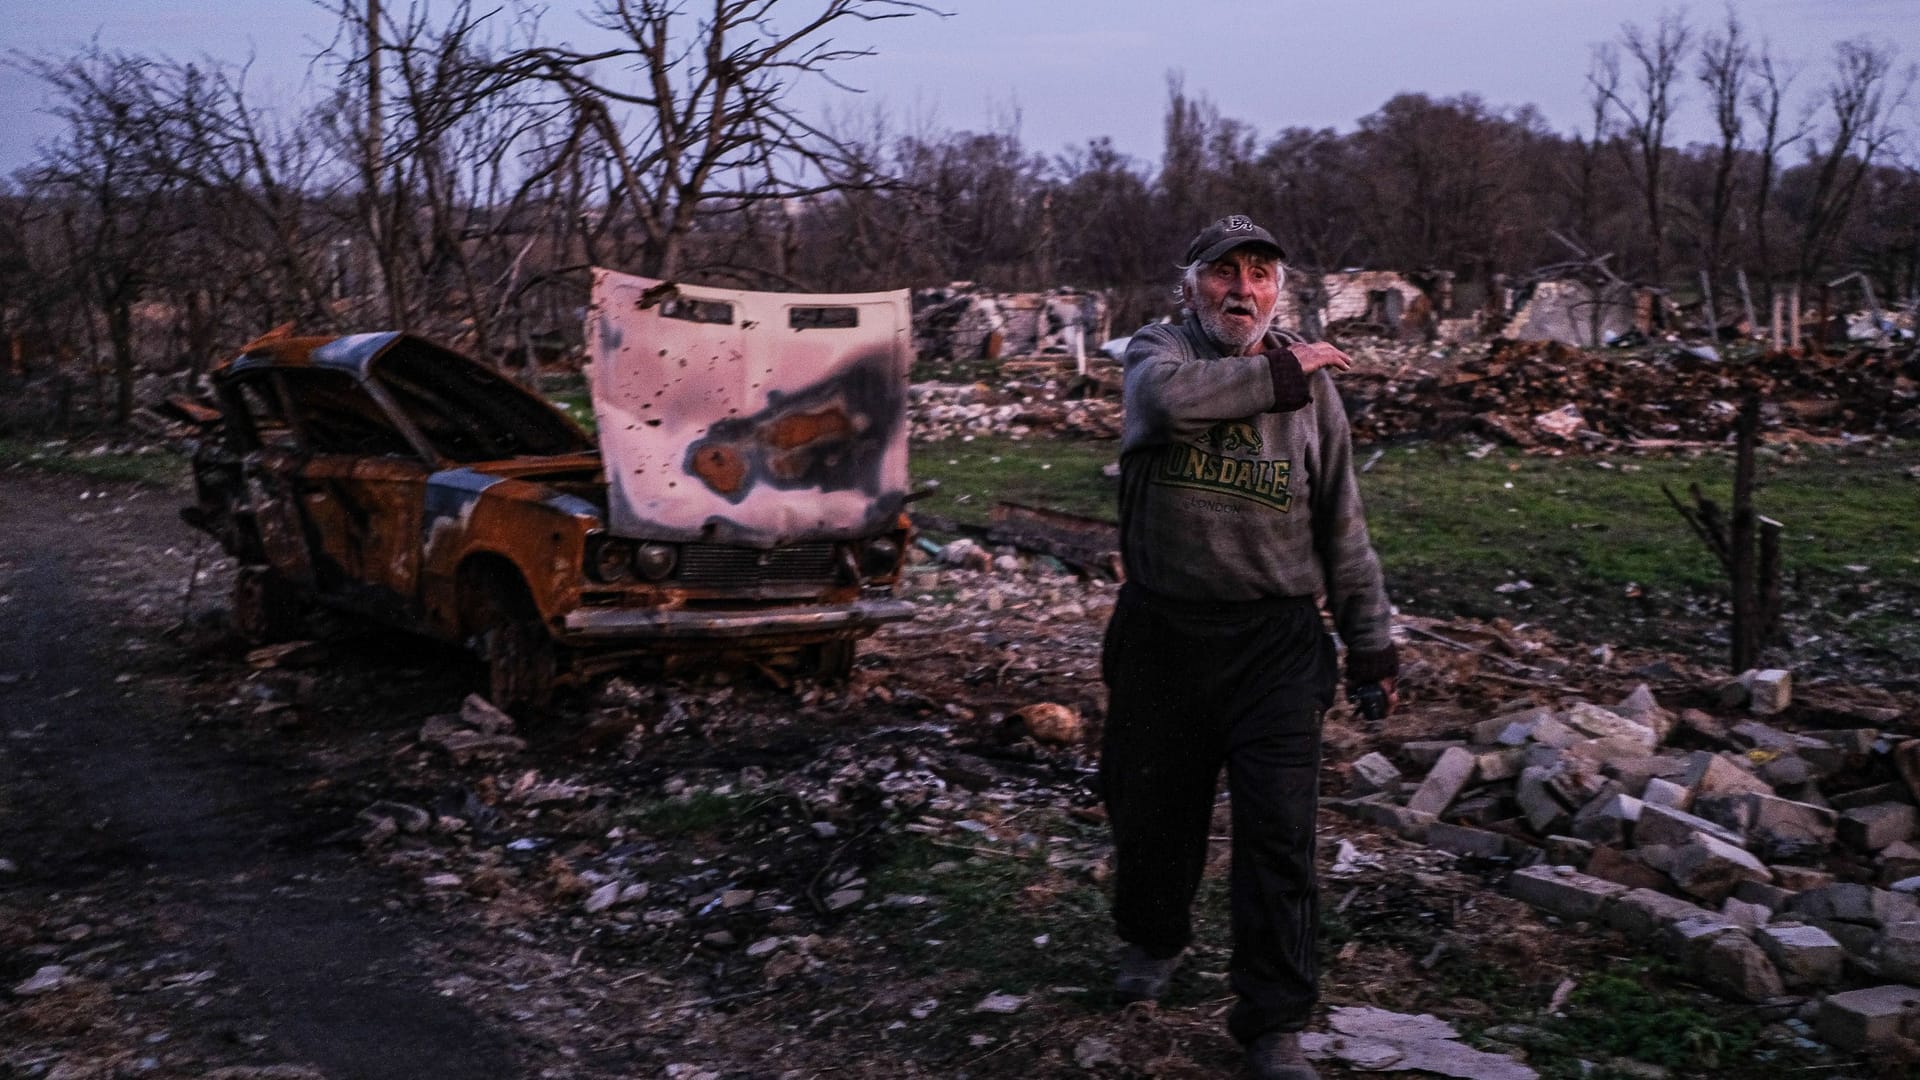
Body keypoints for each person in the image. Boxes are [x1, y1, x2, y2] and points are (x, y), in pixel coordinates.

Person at [1099, 215, 1399, 1080]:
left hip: (1274, 641)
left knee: (1278, 833)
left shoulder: (1314, 385)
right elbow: (1165, 404)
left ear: (1280, 287)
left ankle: (1273, 1019)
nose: (1244, 289)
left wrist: (1371, 642)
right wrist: (1279, 371)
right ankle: (1152, 941)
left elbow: (1342, 519)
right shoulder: (1161, 351)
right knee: (1153, 808)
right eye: (1224, 271)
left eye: (1261, 273)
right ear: (1189, 284)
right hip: (1164, 632)